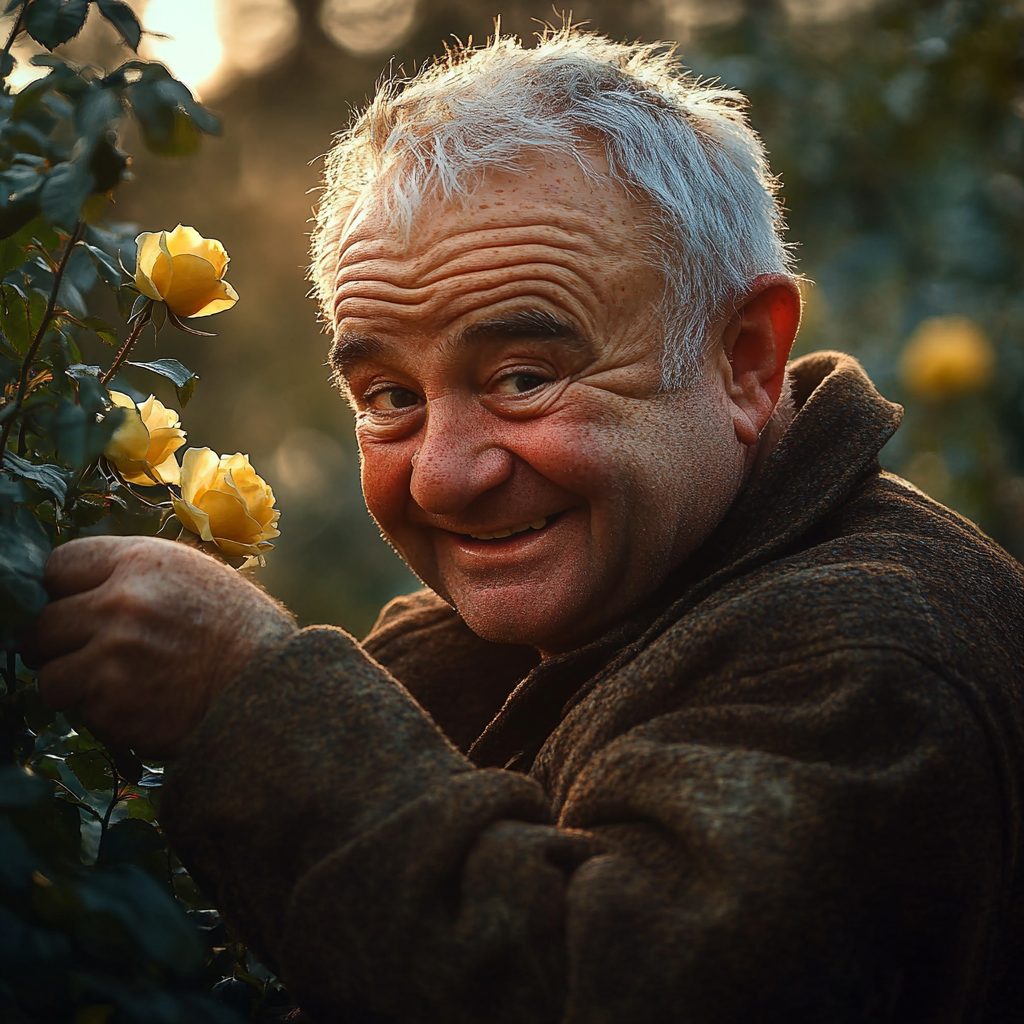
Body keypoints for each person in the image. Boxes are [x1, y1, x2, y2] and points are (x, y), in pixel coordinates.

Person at [24, 29, 1024, 1023]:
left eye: (524, 378)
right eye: (387, 396)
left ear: (744, 363)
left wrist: (244, 699)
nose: (447, 476)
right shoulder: (602, 593)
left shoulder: (876, 655)